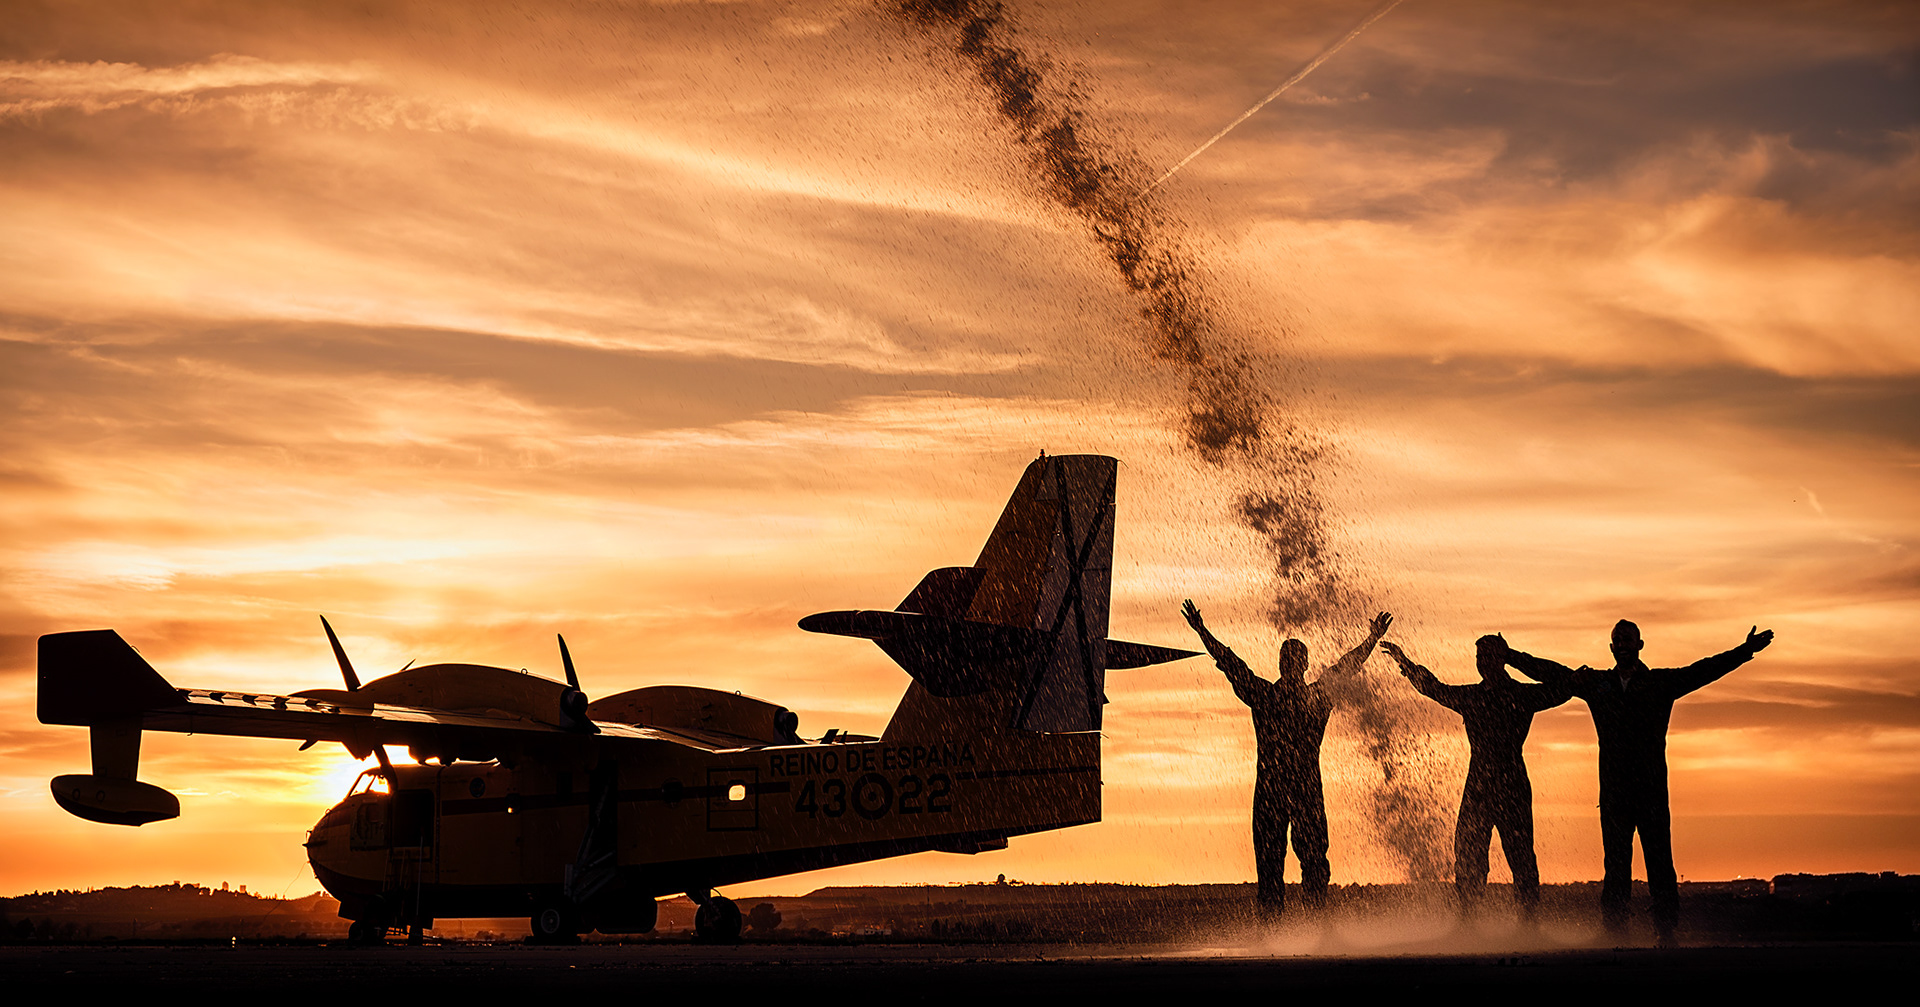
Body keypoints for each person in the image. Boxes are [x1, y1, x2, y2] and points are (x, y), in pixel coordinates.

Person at [1505, 620, 1773, 945]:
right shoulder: (1598, 684)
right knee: (1616, 865)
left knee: (1659, 861)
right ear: (1611, 648)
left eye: (1627, 639)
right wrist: (1511, 656)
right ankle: (1615, 930)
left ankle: (1665, 929)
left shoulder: (1660, 682)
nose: (1622, 644)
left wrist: (1745, 651)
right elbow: (1556, 673)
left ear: (1640, 644)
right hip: (1615, 794)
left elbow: (1702, 671)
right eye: (1617, 640)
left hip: (1651, 793)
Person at [1183, 600, 1391, 922]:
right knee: (1280, 872)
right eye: (1287, 659)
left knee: (1306, 870)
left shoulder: (1288, 697)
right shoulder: (1290, 696)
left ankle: (1306, 931)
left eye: (1294, 659)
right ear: (1286, 664)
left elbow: (1346, 665)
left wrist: (1372, 639)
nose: (1290, 664)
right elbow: (1231, 663)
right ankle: (1284, 935)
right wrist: (1202, 632)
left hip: (1285, 792)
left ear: (1302, 664)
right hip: (1286, 792)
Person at [1381, 635, 1570, 920]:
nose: (1483, 663)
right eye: (1480, 658)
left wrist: (1516, 656)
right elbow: (1434, 688)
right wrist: (1403, 661)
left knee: (1521, 858)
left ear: (1501, 659)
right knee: (1468, 856)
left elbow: (1564, 685)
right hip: (1479, 786)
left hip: (1511, 785)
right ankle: (1469, 923)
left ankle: (1529, 925)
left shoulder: (1521, 695)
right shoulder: (1473, 696)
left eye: (1490, 657)